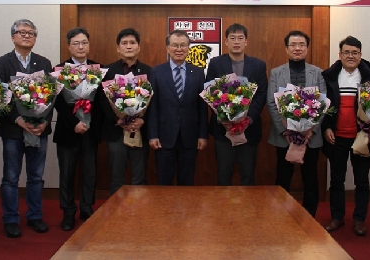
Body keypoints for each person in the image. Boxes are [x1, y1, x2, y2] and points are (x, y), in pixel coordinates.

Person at [0, 19, 53, 238]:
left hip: (38, 128)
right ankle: (10, 218)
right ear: (13, 37)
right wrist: (18, 119)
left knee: (36, 176)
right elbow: (0, 96)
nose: (27, 36)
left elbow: (51, 95)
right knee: (11, 177)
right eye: (22, 32)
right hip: (13, 129)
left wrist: (45, 120)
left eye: (31, 33)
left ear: (35, 38)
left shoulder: (44, 63)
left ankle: (35, 215)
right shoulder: (2, 63)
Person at [321, 36, 370, 236]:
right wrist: (326, 128)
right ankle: (337, 217)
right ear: (340, 54)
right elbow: (322, 106)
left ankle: (359, 220)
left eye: (355, 52)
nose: (351, 56)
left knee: (362, 181)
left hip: (362, 137)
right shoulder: (329, 77)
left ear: (360, 55)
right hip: (336, 137)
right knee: (336, 180)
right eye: (346, 52)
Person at [266, 30, 326, 217]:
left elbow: (323, 103)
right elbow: (271, 103)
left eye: (301, 44)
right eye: (293, 45)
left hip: (311, 137)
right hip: (284, 137)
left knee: (310, 178)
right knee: (283, 177)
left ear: (307, 48)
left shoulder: (318, 72)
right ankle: (281, 215)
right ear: (287, 49)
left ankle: (309, 216)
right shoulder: (277, 72)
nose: (297, 48)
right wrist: (286, 131)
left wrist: (310, 130)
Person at [53, 27, 102, 231]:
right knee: (67, 173)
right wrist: (74, 123)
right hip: (67, 129)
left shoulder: (98, 69)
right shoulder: (59, 69)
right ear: (69, 46)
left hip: (91, 130)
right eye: (76, 43)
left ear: (89, 45)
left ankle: (86, 207)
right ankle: (68, 211)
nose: (81, 47)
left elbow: (102, 101)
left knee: (90, 172)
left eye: (84, 43)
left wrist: (89, 122)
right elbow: (57, 102)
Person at [205, 23, 267, 186]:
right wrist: (224, 118)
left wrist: (247, 119)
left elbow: (261, 95)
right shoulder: (216, 63)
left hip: (249, 130)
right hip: (223, 130)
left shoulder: (258, 65)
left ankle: (247, 205)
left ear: (246, 41)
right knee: (223, 176)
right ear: (226, 41)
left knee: (248, 176)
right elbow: (210, 92)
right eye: (232, 38)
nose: (236, 41)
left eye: (240, 38)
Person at [147, 30, 208, 185]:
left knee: (187, 182)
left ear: (188, 48)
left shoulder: (198, 73)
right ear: (167, 48)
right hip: (164, 137)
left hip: (190, 137)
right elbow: (152, 106)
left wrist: (202, 135)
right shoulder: (156, 72)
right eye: (175, 45)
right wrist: (153, 135)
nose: (179, 49)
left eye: (183, 45)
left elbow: (202, 107)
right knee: (164, 182)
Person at [99, 28, 152, 195]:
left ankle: (138, 210)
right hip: (116, 132)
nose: (129, 46)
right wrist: (118, 120)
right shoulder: (107, 71)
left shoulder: (149, 71)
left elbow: (154, 102)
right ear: (118, 48)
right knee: (116, 178)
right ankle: (116, 211)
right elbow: (102, 101)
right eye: (124, 43)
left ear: (139, 47)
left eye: (132, 43)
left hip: (140, 131)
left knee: (139, 178)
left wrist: (142, 120)